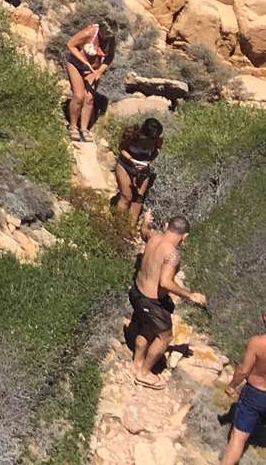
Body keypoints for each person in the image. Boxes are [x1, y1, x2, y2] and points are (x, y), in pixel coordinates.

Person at [129, 216, 207, 382]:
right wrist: (190, 295)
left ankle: (136, 363)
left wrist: (145, 221)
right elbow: (165, 282)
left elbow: (144, 232)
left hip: (136, 292)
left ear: (166, 226)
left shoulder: (154, 237)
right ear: (185, 236)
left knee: (147, 328)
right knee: (165, 337)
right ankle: (143, 373)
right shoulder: (172, 254)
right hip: (150, 301)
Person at [222, 316, 266, 465]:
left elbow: (243, 370)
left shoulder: (258, 342)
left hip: (256, 394)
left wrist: (231, 386)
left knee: (238, 438)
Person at [66, 22, 115, 142]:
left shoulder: (111, 39)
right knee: (79, 96)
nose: (106, 38)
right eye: (104, 35)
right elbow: (70, 44)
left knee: (89, 98)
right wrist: (85, 61)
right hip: (76, 65)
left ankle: (84, 128)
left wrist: (99, 72)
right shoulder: (89, 33)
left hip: (92, 70)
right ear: (100, 31)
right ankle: (72, 126)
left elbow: (110, 57)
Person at [114, 118, 165, 229]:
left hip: (142, 168)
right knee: (126, 197)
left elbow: (157, 150)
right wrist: (132, 160)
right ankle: (117, 227)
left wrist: (148, 161)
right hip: (126, 165)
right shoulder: (132, 134)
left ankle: (129, 228)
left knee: (138, 199)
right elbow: (122, 149)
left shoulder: (157, 138)